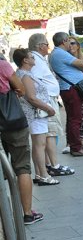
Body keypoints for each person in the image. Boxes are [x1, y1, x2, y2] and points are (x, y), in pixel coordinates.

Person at [0, 56, 42, 224]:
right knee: (22, 167)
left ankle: (4, 220)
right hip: (13, 123)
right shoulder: (3, 65)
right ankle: (27, 213)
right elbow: (21, 89)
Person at [28, 33, 72, 177]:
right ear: (40, 46)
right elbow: (35, 82)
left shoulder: (39, 59)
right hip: (46, 101)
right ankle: (53, 165)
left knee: (48, 135)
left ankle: (49, 165)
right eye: (47, 44)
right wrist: (46, 104)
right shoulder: (36, 60)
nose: (48, 47)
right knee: (50, 134)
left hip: (47, 100)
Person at [12, 48, 59, 187]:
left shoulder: (24, 73)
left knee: (39, 144)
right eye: (31, 57)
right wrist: (48, 108)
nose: (34, 59)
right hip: (35, 114)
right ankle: (43, 175)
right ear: (25, 60)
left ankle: (40, 173)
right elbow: (32, 97)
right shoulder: (25, 75)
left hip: (35, 114)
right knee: (40, 145)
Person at [49, 31, 83, 157]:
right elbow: (82, 63)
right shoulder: (60, 53)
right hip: (71, 89)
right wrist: (79, 56)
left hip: (69, 88)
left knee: (72, 118)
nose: (71, 44)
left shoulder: (57, 53)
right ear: (64, 41)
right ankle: (76, 147)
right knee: (76, 119)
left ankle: (74, 145)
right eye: (69, 41)